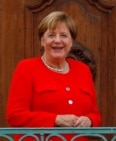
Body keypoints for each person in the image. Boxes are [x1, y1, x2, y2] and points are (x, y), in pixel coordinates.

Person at [6, 11, 101, 141]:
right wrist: (55, 119)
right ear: (42, 41)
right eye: (51, 35)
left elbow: (95, 114)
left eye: (63, 35)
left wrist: (89, 120)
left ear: (71, 41)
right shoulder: (27, 68)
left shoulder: (83, 70)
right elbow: (15, 115)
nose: (57, 40)